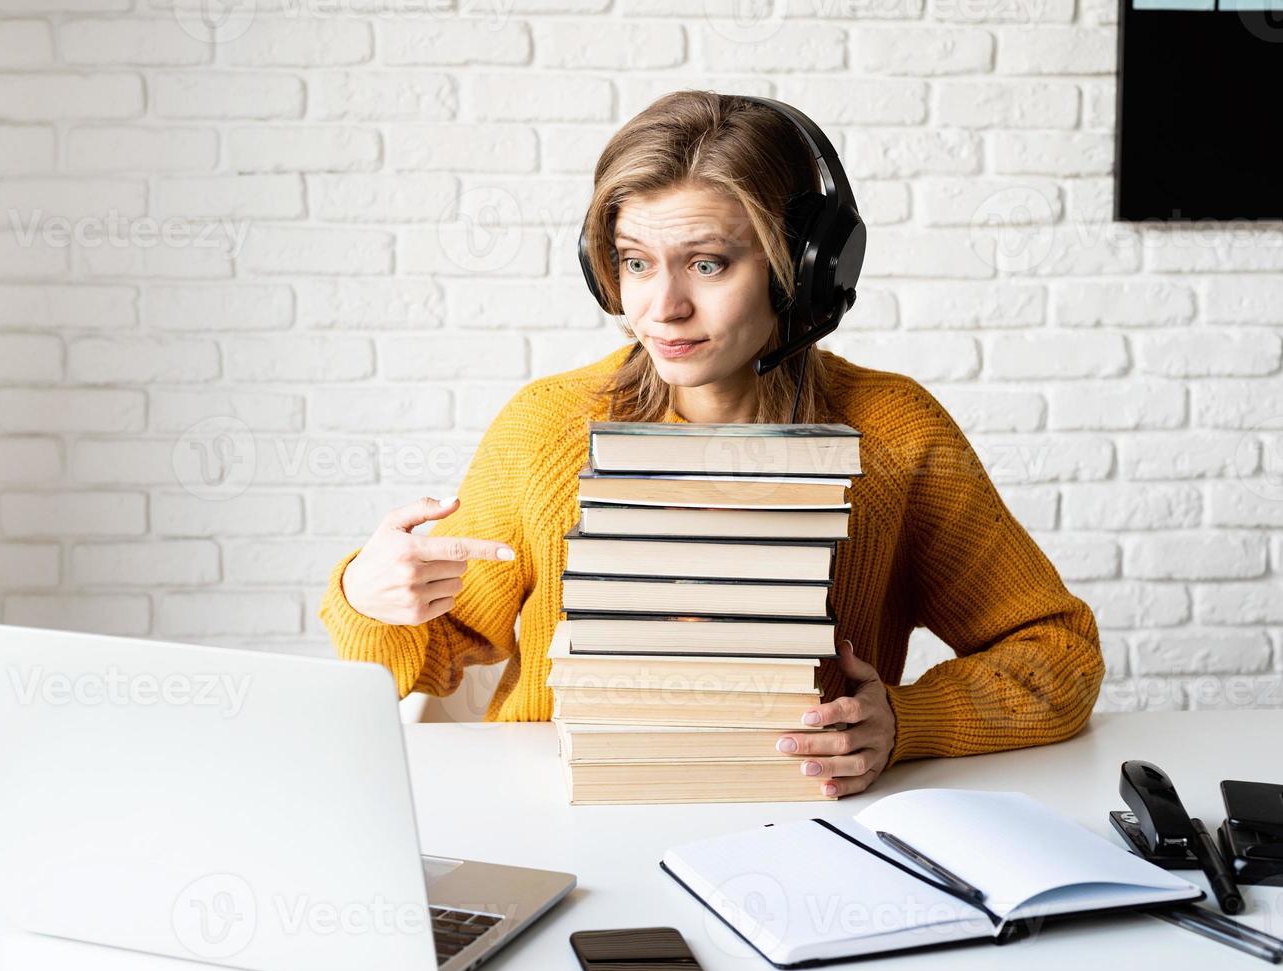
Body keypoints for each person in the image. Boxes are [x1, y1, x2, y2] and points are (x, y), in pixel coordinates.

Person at [318, 90, 1104, 799]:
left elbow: (1057, 651)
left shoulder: (895, 434)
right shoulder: (546, 429)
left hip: (805, 821)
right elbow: (441, 650)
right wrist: (367, 595)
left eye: (707, 263)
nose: (661, 308)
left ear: (803, 271)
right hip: (566, 818)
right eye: (633, 263)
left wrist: (904, 721)